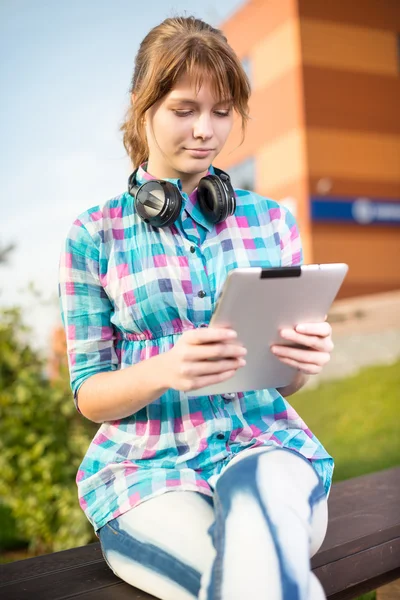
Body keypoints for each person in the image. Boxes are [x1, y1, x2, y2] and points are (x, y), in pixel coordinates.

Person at [58, 15, 335, 600]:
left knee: (255, 553)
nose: (206, 130)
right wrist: (165, 370)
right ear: (142, 106)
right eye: (185, 110)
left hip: (265, 446)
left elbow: (282, 387)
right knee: (247, 582)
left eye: (222, 110)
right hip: (145, 471)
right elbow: (88, 393)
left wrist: (302, 362)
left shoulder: (272, 223)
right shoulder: (92, 236)